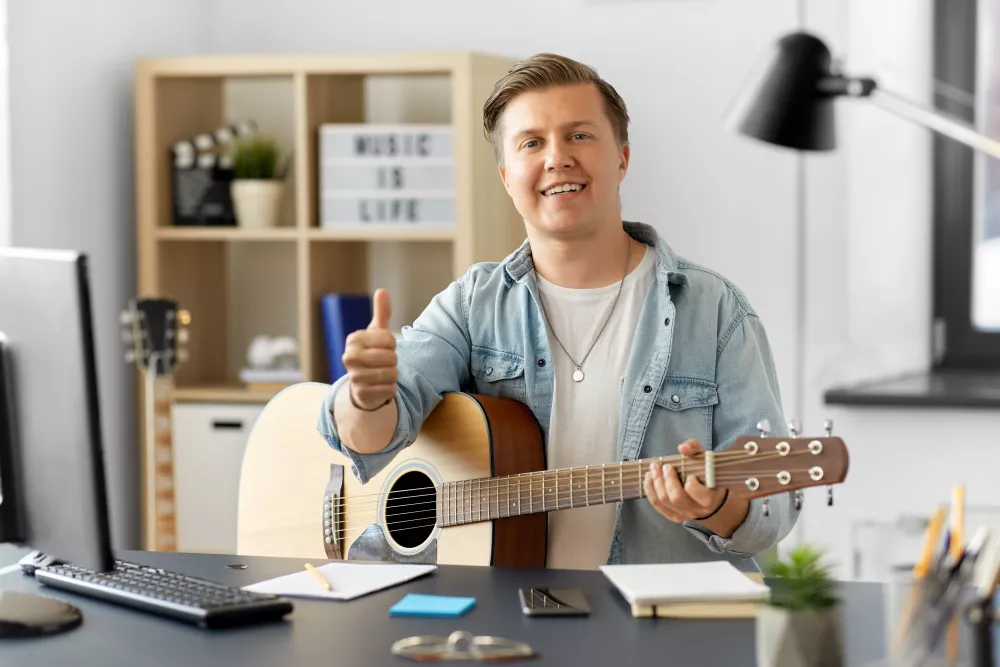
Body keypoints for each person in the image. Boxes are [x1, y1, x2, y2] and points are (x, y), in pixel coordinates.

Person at [317, 52, 798, 572]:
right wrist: (366, 400)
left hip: (660, 629)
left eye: (580, 136)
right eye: (532, 143)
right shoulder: (470, 304)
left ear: (622, 157)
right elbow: (368, 442)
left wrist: (716, 507)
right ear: (506, 175)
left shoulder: (716, 311)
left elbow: (772, 508)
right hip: (507, 626)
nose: (557, 158)